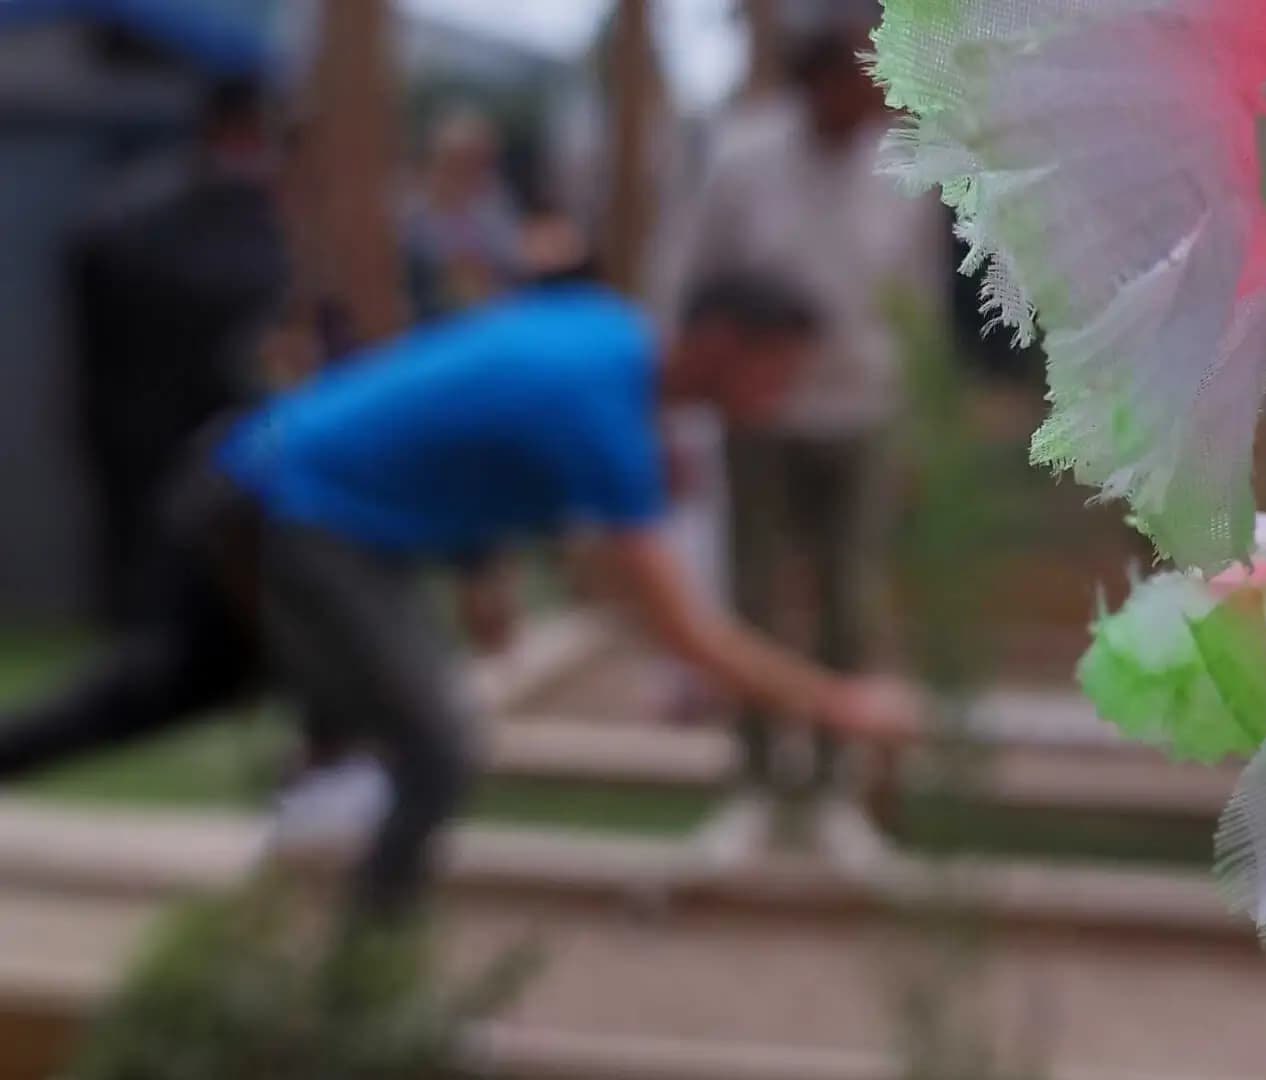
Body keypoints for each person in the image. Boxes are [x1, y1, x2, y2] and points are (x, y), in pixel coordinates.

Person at [0, 253, 920, 921]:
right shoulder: (606, 422)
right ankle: (358, 986)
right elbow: (690, 637)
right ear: (721, 343)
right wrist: (839, 703)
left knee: (167, 694)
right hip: (287, 509)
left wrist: (483, 570)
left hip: (268, 479)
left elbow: (461, 416)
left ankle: (304, 868)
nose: (784, 394)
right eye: (776, 370)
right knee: (436, 742)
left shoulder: (603, 331)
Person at [667, 15, 947, 869]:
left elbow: (922, 303)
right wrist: (682, 409)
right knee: (754, 594)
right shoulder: (741, 160)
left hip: (861, 411)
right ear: (816, 79)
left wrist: (918, 428)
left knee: (848, 601)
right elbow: (688, 278)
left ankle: (832, 793)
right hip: (759, 413)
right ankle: (756, 784)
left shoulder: (902, 167)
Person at [67, 76, 291, 626]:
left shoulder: (125, 208)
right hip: (192, 421)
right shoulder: (232, 212)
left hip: (127, 416)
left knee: (143, 564)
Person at [401, 108, 525, 323]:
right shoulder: (412, 209)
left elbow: (511, 252)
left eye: (481, 160)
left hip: (496, 316)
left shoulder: (494, 199)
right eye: (464, 160)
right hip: (434, 322)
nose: (474, 170)